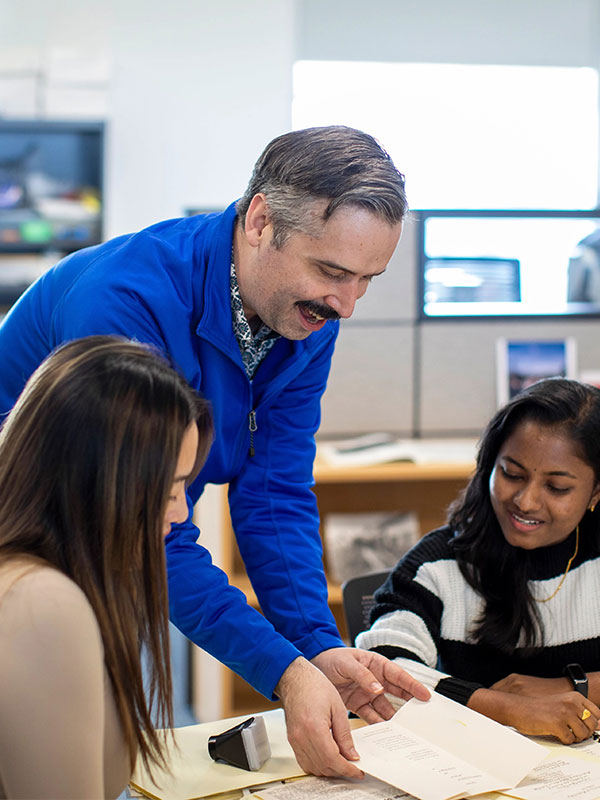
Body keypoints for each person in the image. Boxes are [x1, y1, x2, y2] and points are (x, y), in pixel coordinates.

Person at [0, 125, 429, 778]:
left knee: (119, 760)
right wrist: (283, 670)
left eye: (367, 279)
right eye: (333, 271)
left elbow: (273, 490)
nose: (346, 303)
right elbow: (149, 524)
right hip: (34, 551)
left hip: (113, 544)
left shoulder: (306, 313)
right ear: (261, 220)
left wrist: (314, 647)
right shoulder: (125, 302)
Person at [0, 335, 213, 799]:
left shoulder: (52, 580)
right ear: (97, 480)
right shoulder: (42, 603)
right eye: (171, 488)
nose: (180, 515)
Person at [357, 377, 600, 744]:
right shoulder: (437, 567)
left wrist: (567, 687)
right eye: (511, 474)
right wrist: (507, 707)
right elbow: (381, 674)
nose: (526, 501)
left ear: (595, 491)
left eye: (557, 487)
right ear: (489, 465)